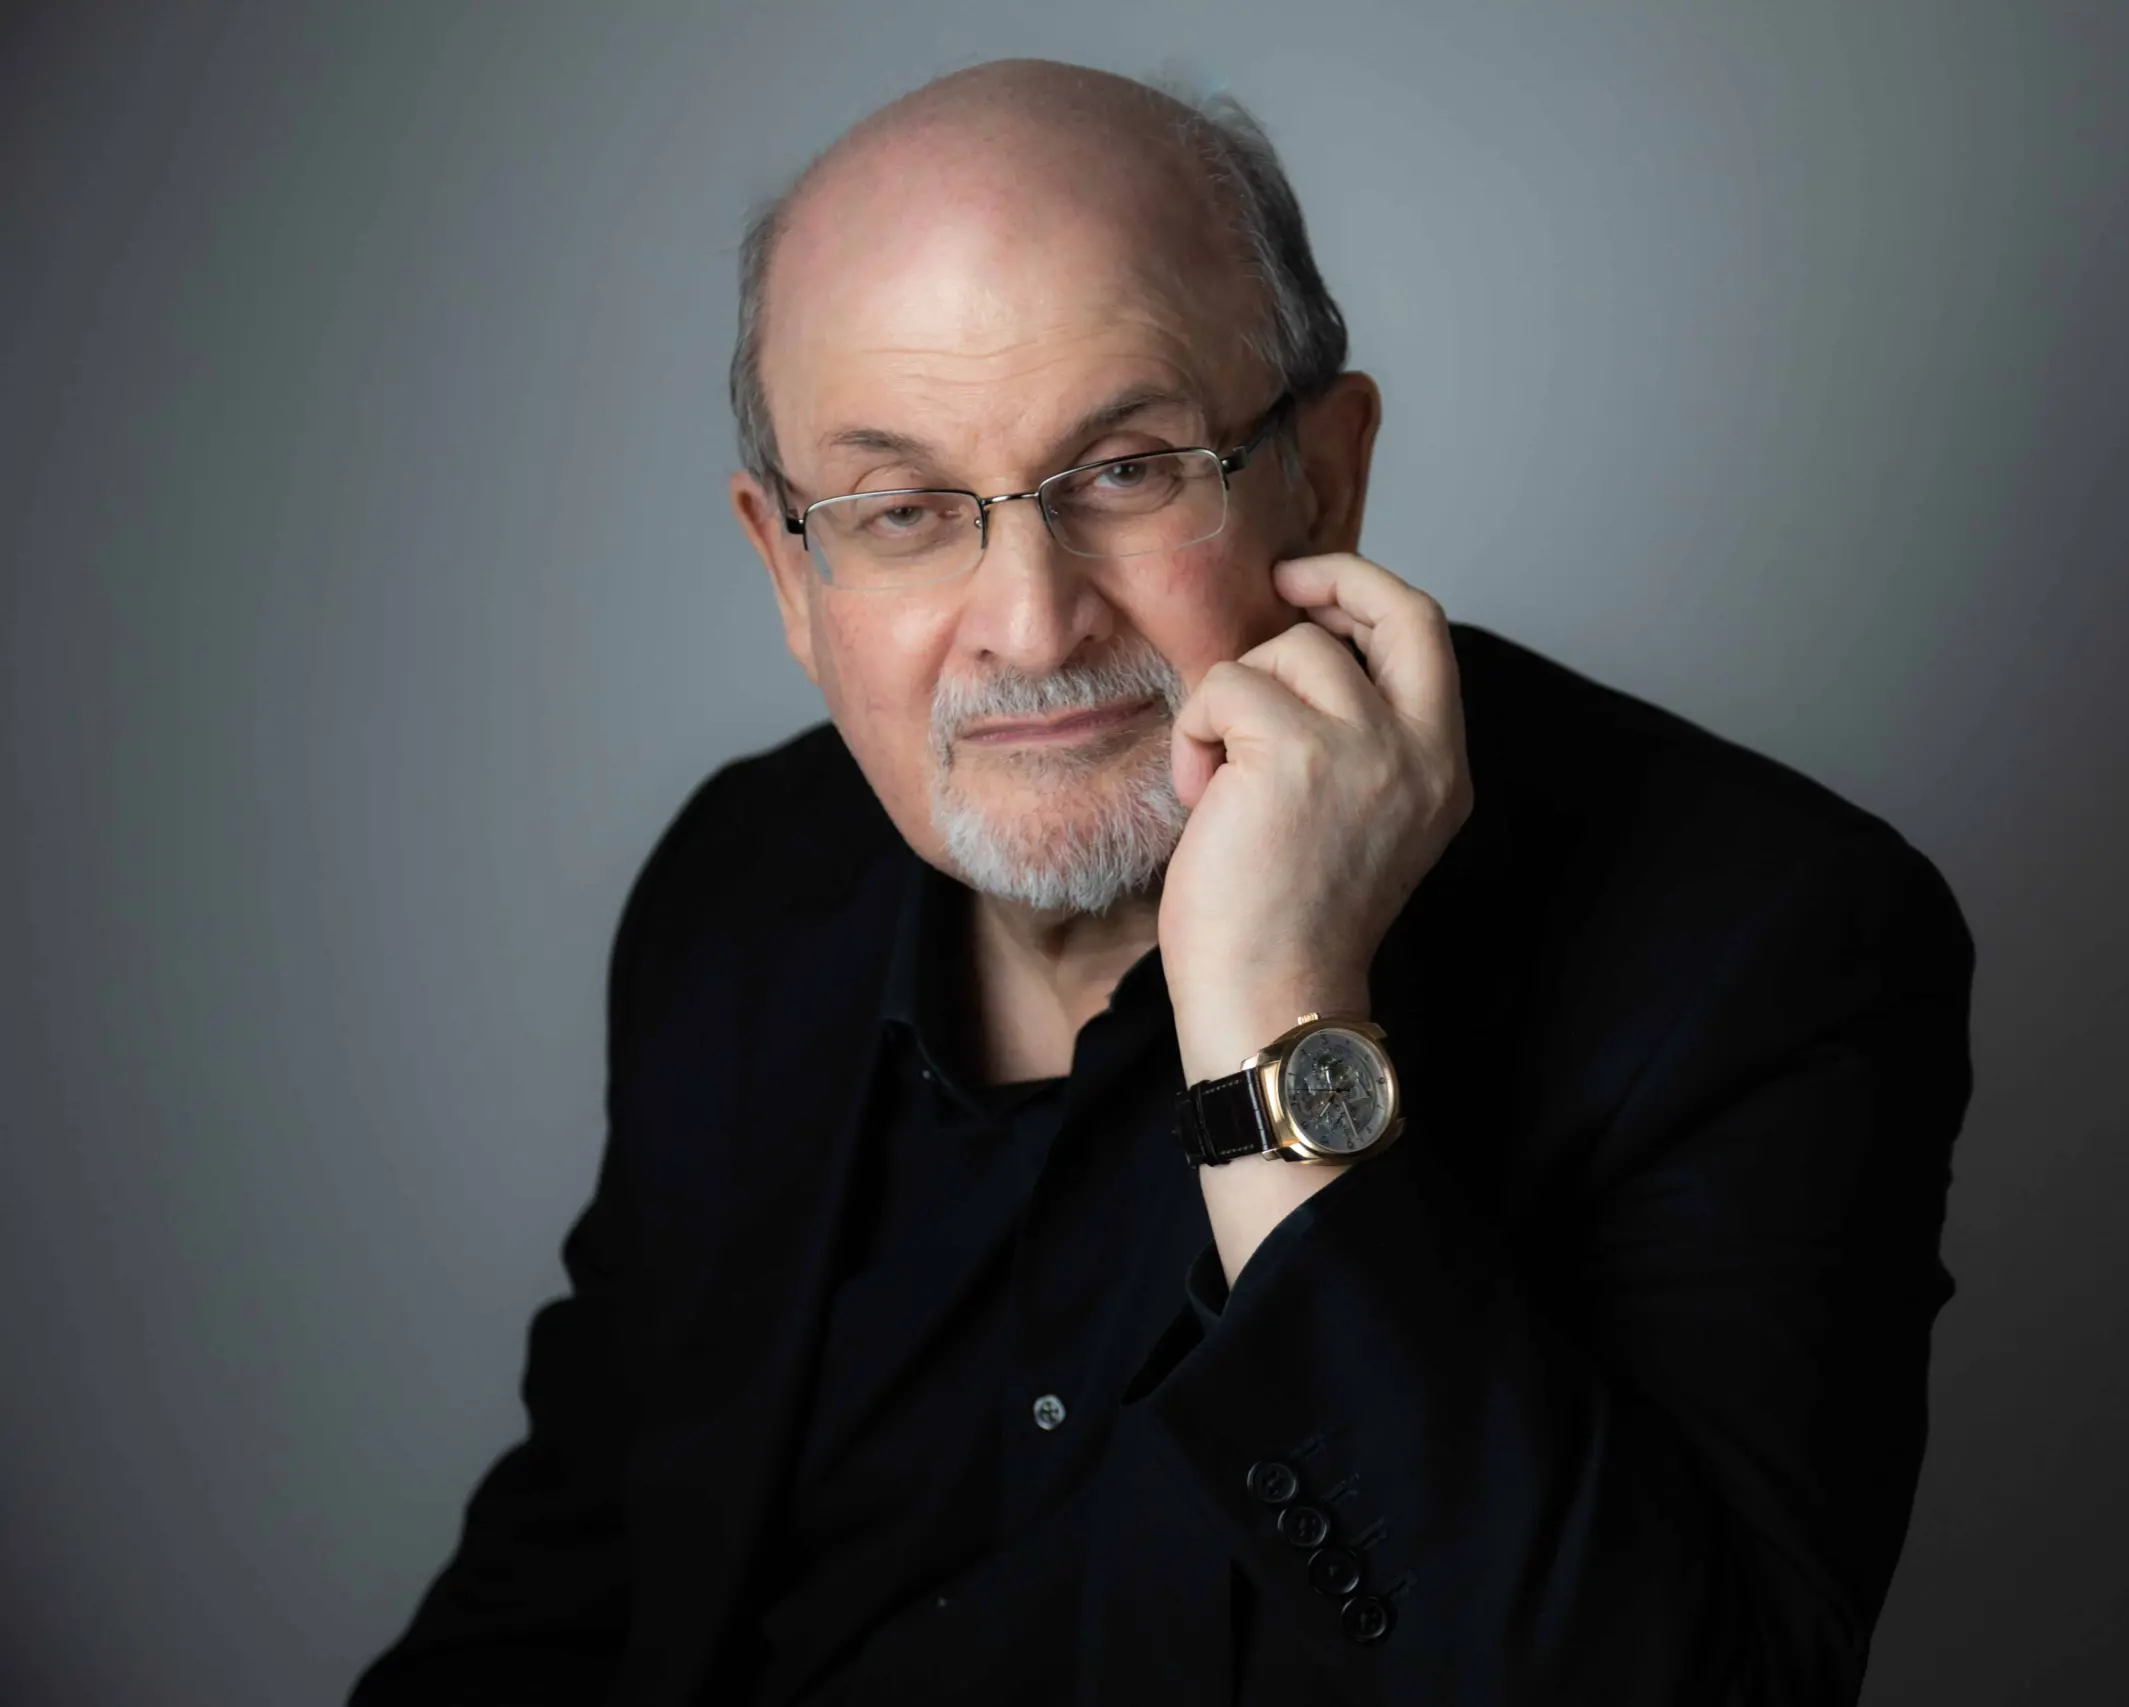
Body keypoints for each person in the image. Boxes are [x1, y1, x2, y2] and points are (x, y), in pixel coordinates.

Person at [350, 57, 1975, 1707]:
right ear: (790, 565)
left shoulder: (1758, 944)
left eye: (1124, 469)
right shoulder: (738, 898)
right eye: (907, 510)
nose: (1032, 623)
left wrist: (1282, 1029)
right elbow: (564, 1587)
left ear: (1325, 474)